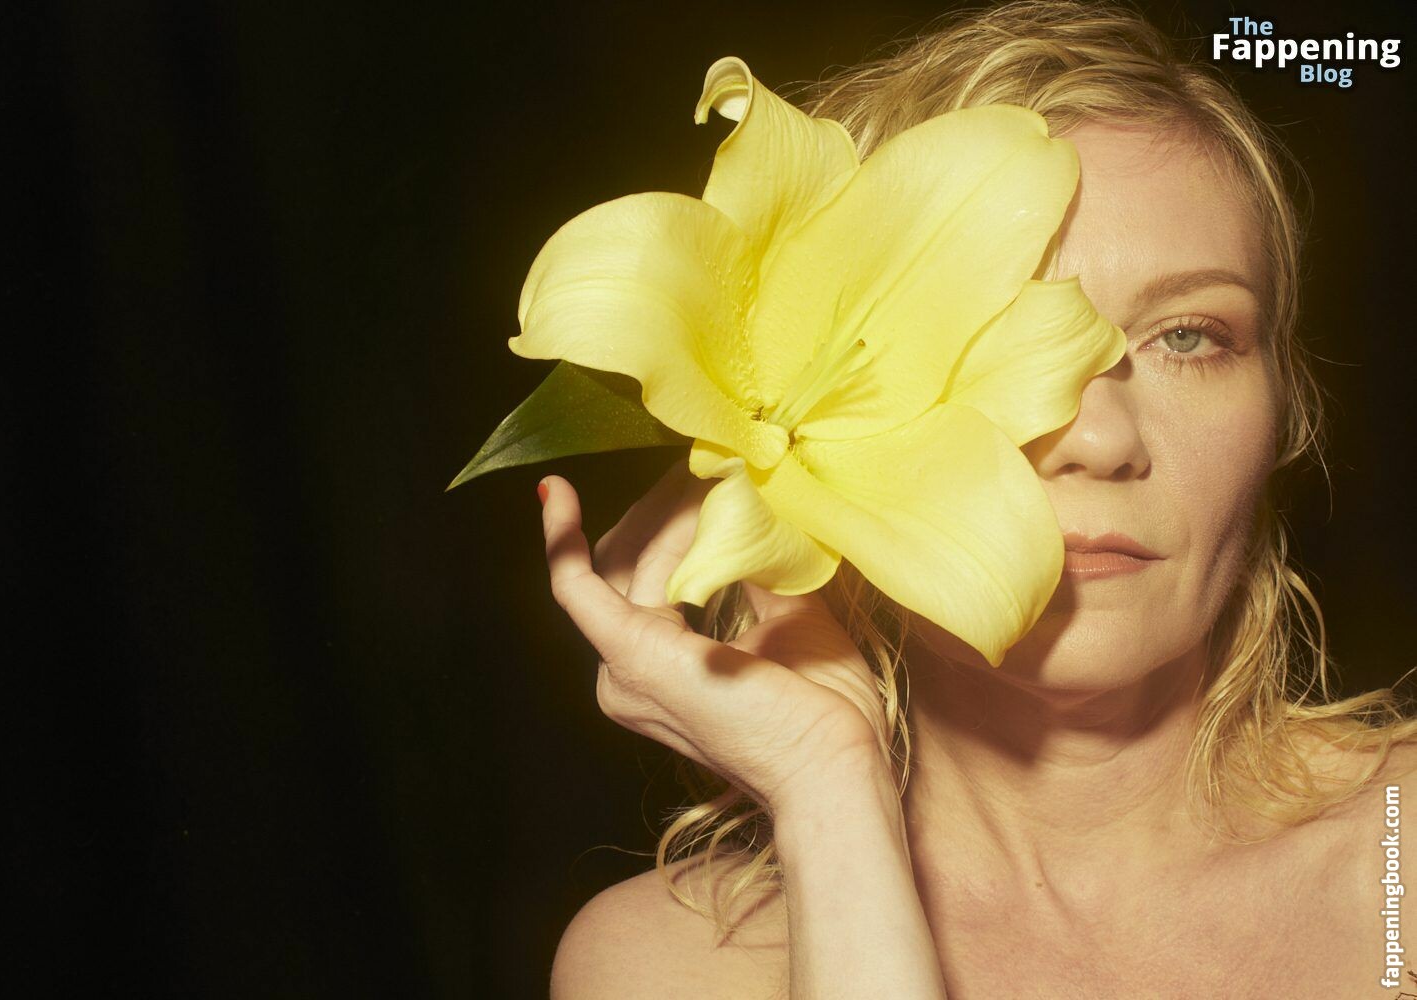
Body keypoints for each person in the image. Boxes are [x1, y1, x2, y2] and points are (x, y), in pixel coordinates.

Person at [535, 2, 1417, 996]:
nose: (1101, 440)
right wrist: (831, 793)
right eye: (990, 340)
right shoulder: (664, 968)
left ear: (1288, 412)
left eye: (1189, 336)